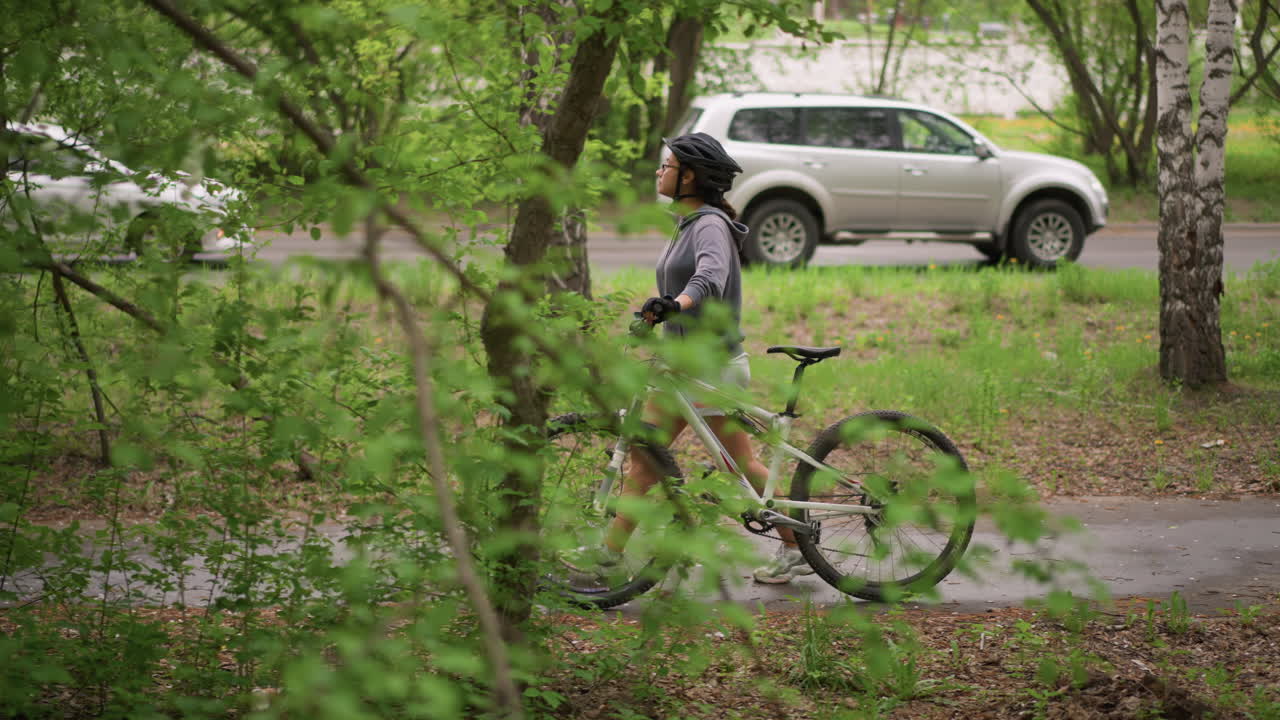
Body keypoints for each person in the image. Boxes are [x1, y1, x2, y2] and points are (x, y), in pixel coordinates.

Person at [594, 132, 813, 585]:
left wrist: (678, 303)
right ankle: (607, 557)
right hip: (683, 364)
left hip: (709, 365)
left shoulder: (709, 224)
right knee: (647, 460)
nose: (659, 171)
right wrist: (657, 314)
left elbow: (709, 276)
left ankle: (798, 545)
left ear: (689, 176)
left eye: (666, 165)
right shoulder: (690, 223)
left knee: (732, 466)